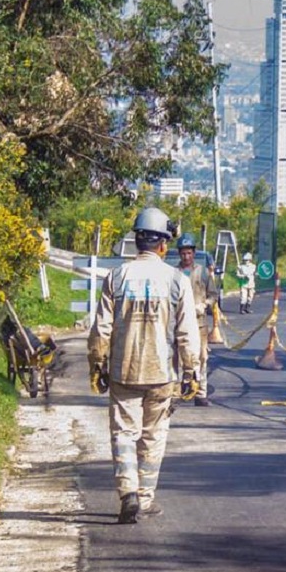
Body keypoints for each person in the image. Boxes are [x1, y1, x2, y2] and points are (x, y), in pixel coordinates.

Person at [87, 207, 201, 524]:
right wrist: (192, 372)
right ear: (164, 244)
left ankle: (128, 495)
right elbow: (187, 333)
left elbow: (101, 330)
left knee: (123, 434)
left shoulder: (117, 277)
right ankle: (146, 499)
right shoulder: (177, 280)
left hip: (123, 372)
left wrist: (97, 365)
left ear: (137, 241)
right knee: (153, 437)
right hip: (162, 375)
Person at [176, 233, 219, 406]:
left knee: (201, 357)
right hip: (179, 323)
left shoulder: (203, 273)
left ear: (194, 253)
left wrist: (205, 304)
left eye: (189, 253)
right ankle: (178, 391)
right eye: (183, 253)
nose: (186, 256)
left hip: (199, 323)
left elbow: (213, 294)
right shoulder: (174, 273)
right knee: (178, 358)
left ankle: (201, 394)